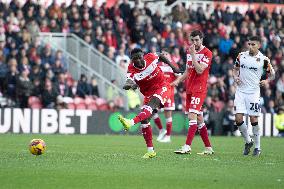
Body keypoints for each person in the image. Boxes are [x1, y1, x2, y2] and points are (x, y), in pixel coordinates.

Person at [118, 48, 178, 159]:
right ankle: (150, 151)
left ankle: (130, 122)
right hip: (148, 93)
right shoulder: (131, 70)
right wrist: (130, 85)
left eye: (140, 58)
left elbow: (160, 55)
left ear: (143, 56)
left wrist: (173, 67)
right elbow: (128, 83)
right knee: (145, 120)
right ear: (132, 60)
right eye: (135, 59)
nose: (138, 61)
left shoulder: (151, 57)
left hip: (162, 86)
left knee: (149, 108)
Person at [171, 30, 214, 155]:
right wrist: (177, 81)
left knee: (192, 116)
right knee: (199, 118)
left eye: (196, 40)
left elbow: (200, 70)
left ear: (201, 39)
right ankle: (208, 148)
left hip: (199, 89)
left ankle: (187, 146)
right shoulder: (189, 52)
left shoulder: (207, 53)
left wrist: (194, 55)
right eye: (192, 40)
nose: (194, 42)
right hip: (189, 88)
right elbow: (187, 71)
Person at [233, 36, 275, 156]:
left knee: (253, 119)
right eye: (249, 44)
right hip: (240, 91)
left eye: (253, 44)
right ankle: (248, 141)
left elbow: (272, 74)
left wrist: (266, 81)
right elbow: (235, 69)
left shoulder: (264, 59)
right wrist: (235, 77)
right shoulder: (241, 56)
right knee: (238, 119)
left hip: (253, 93)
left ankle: (257, 147)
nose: (250, 46)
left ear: (259, 46)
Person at [154, 49, 180, 143]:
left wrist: (173, 84)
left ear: (169, 55)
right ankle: (162, 130)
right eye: (163, 54)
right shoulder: (158, 65)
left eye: (166, 54)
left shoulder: (173, 65)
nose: (164, 55)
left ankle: (168, 136)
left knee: (168, 114)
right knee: (152, 111)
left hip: (169, 93)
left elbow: (179, 77)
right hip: (159, 93)